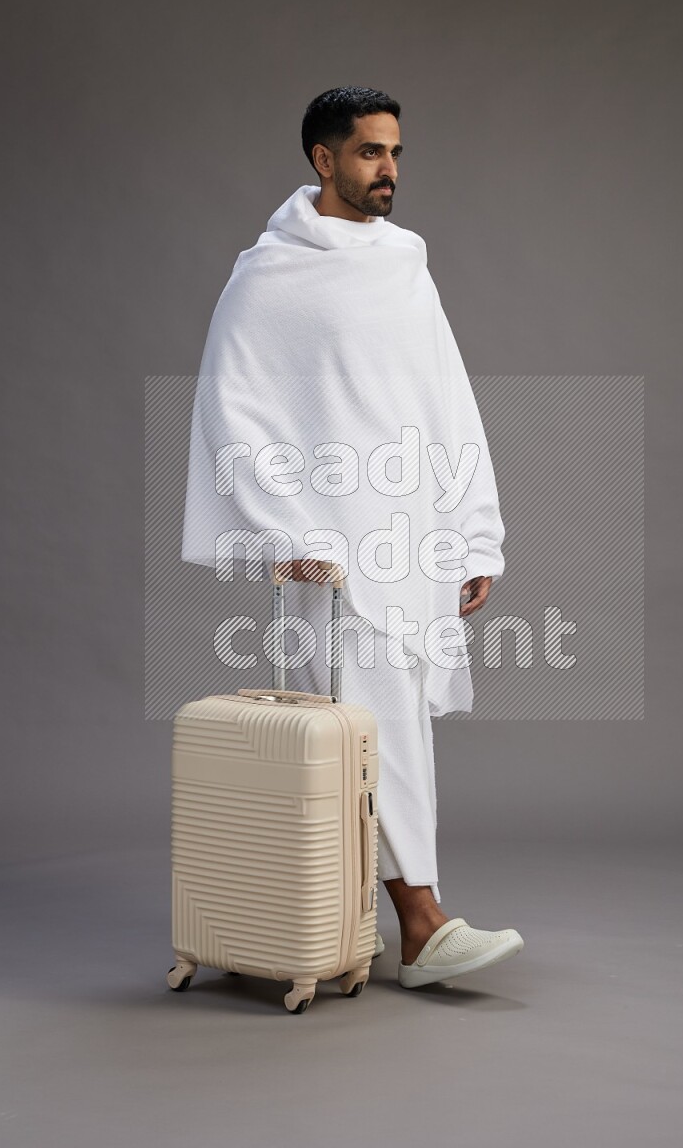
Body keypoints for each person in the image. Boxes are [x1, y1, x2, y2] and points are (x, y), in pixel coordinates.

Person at [182, 86, 524, 988]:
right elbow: (231, 409)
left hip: (409, 541)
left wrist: (474, 535)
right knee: (365, 730)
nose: (390, 172)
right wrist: (278, 531)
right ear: (323, 160)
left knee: (394, 723)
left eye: (397, 153)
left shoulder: (406, 263)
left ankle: (346, 920)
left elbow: (448, 403)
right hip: (326, 550)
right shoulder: (268, 276)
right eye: (371, 153)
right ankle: (422, 923)